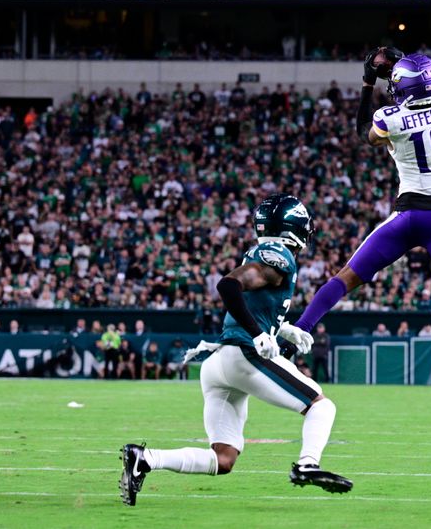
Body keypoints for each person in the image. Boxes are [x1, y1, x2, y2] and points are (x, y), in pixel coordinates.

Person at [292, 49, 431, 411]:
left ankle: (297, 334)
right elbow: (424, 87)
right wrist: (406, 67)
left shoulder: (393, 119)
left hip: (407, 217)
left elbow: (364, 132)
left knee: (344, 279)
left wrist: (368, 83)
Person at [119, 194, 351, 507]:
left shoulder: (265, 255)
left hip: (219, 366)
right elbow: (228, 287)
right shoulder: (279, 254)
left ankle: (144, 458)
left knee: (223, 458)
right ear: (292, 227)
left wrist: (282, 329)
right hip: (244, 356)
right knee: (322, 407)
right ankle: (307, 464)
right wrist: (258, 334)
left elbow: (254, 302)